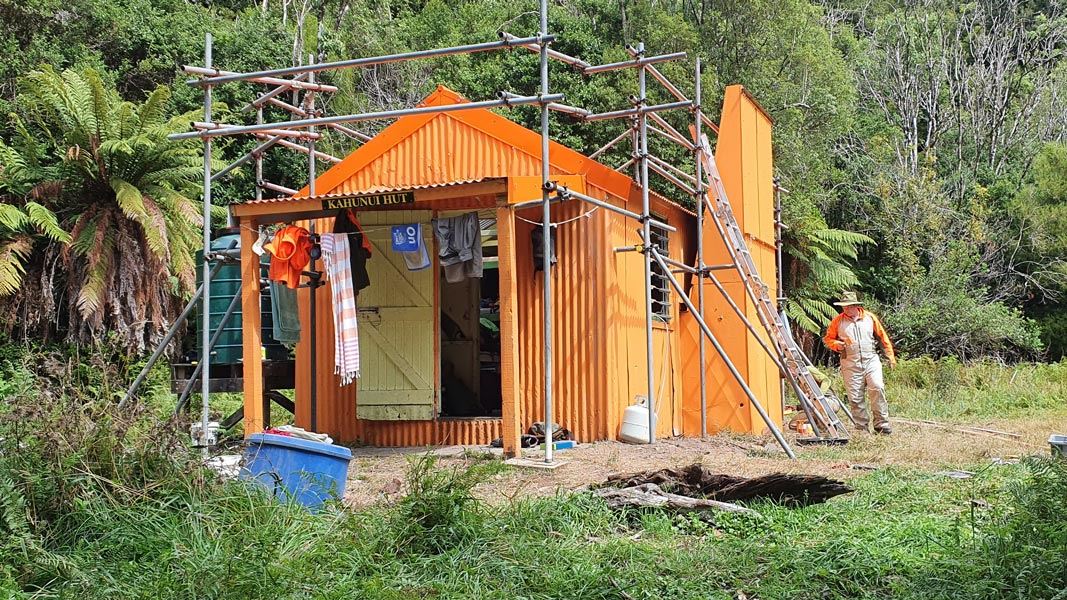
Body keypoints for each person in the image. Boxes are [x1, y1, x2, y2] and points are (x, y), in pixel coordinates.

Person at [823, 291, 897, 434]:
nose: (845, 309)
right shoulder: (838, 321)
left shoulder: (870, 318)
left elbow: (883, 337)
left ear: (855, 306)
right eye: (843, 306)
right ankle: (861, 428)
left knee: (877, 387)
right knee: (855, 396)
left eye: (848, 306)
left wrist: (890, 356)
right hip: (849, 362)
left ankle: (882, 424)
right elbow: (828, 339)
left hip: (871, 359)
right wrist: (836, 344)